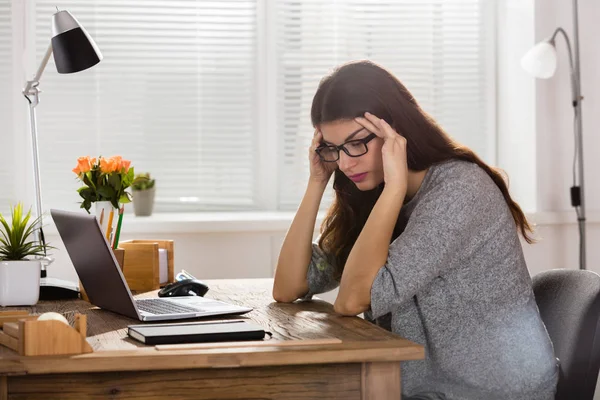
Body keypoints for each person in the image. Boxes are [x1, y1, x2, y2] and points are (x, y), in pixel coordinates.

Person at [272, 60, 558, 400]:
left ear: (395, 132)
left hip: (491, 391)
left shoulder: (459, 190)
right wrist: (317, 180)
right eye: (333, 148)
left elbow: (352, 300)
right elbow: (288, 288)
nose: (346, 163)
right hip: (421, 389)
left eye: (357, 143)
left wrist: (393, 188)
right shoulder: (370, 193)